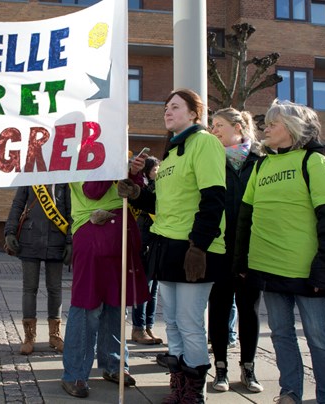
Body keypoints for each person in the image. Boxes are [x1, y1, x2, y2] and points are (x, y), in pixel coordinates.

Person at [233, 100, 325, 404]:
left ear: (294, 129)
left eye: (273, 123)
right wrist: (242, 261)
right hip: (266, 268)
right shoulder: (262, 164)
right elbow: (246, 217)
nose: (265, 128)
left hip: (306, 271)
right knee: (281, 335)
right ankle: (290, 392)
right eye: (266, 123)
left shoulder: (315, 164)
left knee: (318, 338)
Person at [119, 88, 227, 403]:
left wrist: (199, 246)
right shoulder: (169, 156)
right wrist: (139, 193)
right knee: (175, 323)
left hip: (192, 247)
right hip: (166, 245)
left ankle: (194, 393)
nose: (168, 111)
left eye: (176, 106)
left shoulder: (204, 143)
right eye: (166, 106)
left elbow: (213, 199)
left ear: (194, 113)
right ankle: (179, 387)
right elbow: (163, 201)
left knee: (191, 323)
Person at [60, 178, 151, 399]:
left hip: (118, 234)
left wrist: (134, 173)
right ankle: (75, 373)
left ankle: (115, 364)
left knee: (116, 304)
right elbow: (93, 190)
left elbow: (132, 193)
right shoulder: (81, 152)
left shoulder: (113, 150)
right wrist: (112, 169)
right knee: (87, 306)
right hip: (92, 234)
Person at [207, 107, 264, 393]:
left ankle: (249, 368)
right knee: (218, 309)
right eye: (212, 125)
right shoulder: (212, 159)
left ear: (238, 127)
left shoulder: (260, 160)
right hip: (219, 248)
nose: (214, 130)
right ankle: (220, 369)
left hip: (251, 250)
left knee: (249, 310)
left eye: (218, 125)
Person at [4, 184, 72, 355]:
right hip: (30, 237)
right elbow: (17, 205)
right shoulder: (31, 174)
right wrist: (10, 232)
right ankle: (29, 336)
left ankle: (54, 335)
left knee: (55, 289)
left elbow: (72, 210)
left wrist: (71, 241)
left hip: (57, 238)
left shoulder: (65, 175)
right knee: (29, 289)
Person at [129, 156, 163, 345]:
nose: (158, 172)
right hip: (146, 238)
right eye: (156, 169)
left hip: (157, 238)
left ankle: (149, 325)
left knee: (154, 287)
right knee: (144, 285)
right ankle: (138, 327)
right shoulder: (147, 187)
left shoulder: (159, 185)